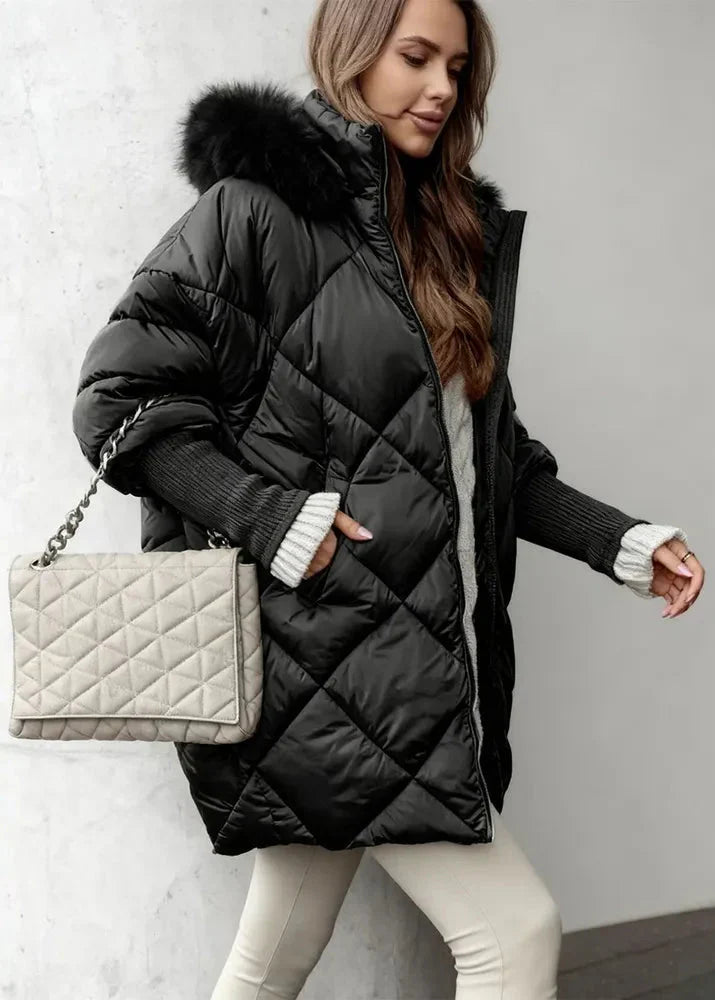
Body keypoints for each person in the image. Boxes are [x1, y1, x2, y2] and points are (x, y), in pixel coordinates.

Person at [71, 0, 704, 996]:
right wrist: (267, 515)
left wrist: (617, 540)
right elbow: (118, 401)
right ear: (353, 50)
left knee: (274, 953)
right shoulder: (253, 211)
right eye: (416, 57)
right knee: (514, 933)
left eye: (457, 67)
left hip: (401, 663)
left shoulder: (445, 235)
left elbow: (485, 462)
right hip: (322, 652)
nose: (441, 88)